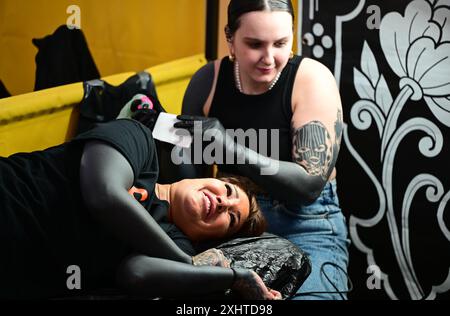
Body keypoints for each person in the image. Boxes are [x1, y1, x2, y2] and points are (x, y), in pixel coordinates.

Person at [177, 0, 350, 300]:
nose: (268, 58)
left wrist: (230, 148)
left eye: (281, 43)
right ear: (230, 38)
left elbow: (308, 186)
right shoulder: (208, 81)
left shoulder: (312, 80)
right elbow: (190, 178)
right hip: (231, 223)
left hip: (306, 224)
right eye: (254, 44)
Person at [0, 118, 281, 300]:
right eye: (228, 191)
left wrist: (232, 277)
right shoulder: (140, 144)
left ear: (208, 240)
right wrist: (187, 262)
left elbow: (136, 274)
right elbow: (104, 194)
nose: (223, 202)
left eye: (231, 218)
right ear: (208, 177)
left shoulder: (174, 244)